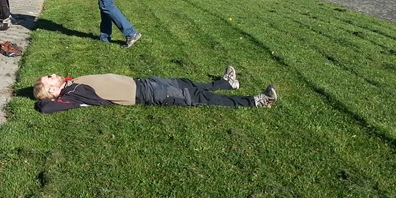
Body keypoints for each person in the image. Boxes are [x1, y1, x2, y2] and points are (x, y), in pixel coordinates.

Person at [33, 66, 277, 113]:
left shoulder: (71, 83)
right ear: (53, 91)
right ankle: (257, 101)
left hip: (144, 83)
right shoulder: (72, 95)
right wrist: (43, 97)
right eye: (49, 78)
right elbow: (46, 107)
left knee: (186, 83)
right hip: (148, 94)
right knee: (200, 97)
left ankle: (227, 83)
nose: (53, 74)